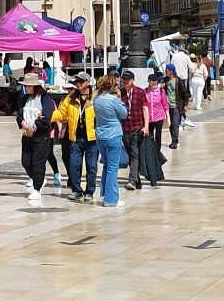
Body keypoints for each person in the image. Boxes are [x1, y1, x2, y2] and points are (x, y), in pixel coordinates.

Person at [53, 72, 97, 203]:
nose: (78, 83)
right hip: (76, 138)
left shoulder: (95, 98)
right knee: (74, 164)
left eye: (81, 81)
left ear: (88, 83)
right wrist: (48, 116)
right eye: (77, 81)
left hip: (92, 138)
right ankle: (76, 190)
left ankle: (89, 191)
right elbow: (61, 113)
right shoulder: (70, 98)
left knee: (91, 166)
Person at [16, 73, 58, 202]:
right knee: (26, 161)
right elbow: (19, 115)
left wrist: (33, 128)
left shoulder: (46, 100)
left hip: (40, 136)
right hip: (26, 135)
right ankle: (38, 178)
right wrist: (25, 126)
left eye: (28, 86)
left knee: (38, 163)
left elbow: (46, 119)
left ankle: (37, 188)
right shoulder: (24, 99)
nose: (26, 88)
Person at [92, 73, 129, 208]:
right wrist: (119, 98)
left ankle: (103, 194)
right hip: (113, 134)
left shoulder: (96, 99)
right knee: (113, 168)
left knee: (106, 165)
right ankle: (111, 199)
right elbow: (124, 114)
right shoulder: (113, 100)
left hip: (100, 135)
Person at [119, 70, 151, 190]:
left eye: (128, 79)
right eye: (124, 79)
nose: (126, 81)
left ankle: (132, 180)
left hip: (137, 127)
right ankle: (136, 180)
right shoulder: (120, 93)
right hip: (125, 128)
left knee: (134, 153)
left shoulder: (139, 92)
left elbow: (145, 108)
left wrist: (146, 126)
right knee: (129, 154)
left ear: (133, 80)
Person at [146, 72, 170, 163]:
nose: (154, 83)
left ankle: (157, 154)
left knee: (158, 136)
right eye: (152, 81)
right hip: (149, 118)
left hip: (159, 117)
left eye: (155, 81)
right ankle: (152, 154)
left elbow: (165, 105)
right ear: (148, 82)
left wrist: (168, 118)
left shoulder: (161, 91)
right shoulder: (145, 92)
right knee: (150, 136)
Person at [165, 64, 189, 149]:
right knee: (171, 124)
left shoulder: (179, 81)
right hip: (168, 106)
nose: (165, 71)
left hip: (176, 106)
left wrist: (185, 104)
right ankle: (174, 139)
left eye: (167, 70)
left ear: (171, 71)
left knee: (175, 123)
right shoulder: (166, 80)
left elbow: (185, 93)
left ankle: (174, 141)